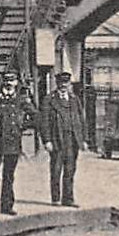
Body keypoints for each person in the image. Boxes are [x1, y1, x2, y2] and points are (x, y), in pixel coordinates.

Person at [0, 71, 37, 215]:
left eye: (12, 80)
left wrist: (21, 126)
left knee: (9, 176)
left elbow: (36, 116)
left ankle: (7, 206)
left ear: (16, 83)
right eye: (6, 80)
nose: (9, 83)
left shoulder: (21, 99)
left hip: (12, 142)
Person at [42, 71, 87, 207]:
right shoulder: (49, 100)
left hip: (72, 140)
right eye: (61, 83)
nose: (63, 86)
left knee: (70, 170)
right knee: (56, 170)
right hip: (57, 140)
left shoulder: (74, 99)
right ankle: (55, 198)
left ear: (69, 84)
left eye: (66, 83)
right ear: (57, 84)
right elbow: (44, 122)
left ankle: (68, 199)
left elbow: (81, 120)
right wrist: (47, 140)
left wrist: (83, 139)